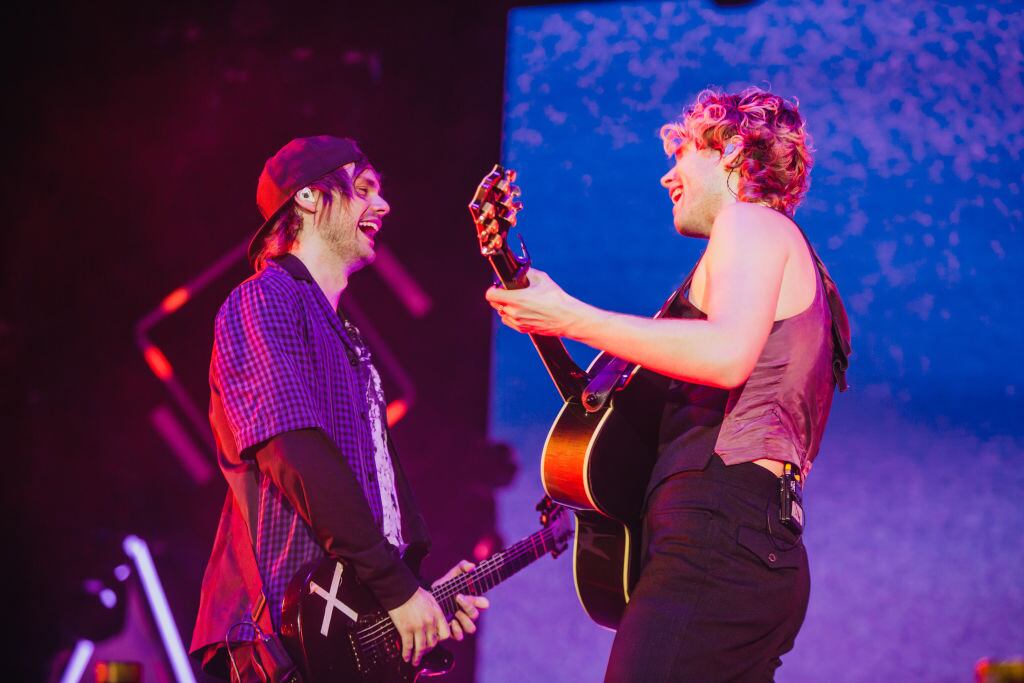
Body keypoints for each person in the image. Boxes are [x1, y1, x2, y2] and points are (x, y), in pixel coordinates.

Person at [486, 87, 851, 681]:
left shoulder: (751, 223)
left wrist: (571, 317)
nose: (666, 176)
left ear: (731, 152)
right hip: (748, 540)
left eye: (680, 152)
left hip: (718, 534)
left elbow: (727, 356)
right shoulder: (778, 249)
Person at [191, 135, 488, 680]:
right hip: (281, 635)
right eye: (365, 189)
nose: (383, 206)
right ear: (307, 197)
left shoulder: (346, 338)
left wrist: (419, 594)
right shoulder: (264, 299)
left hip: (335, 632)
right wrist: (398, 591)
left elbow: (367, 499)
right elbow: (295, 454)